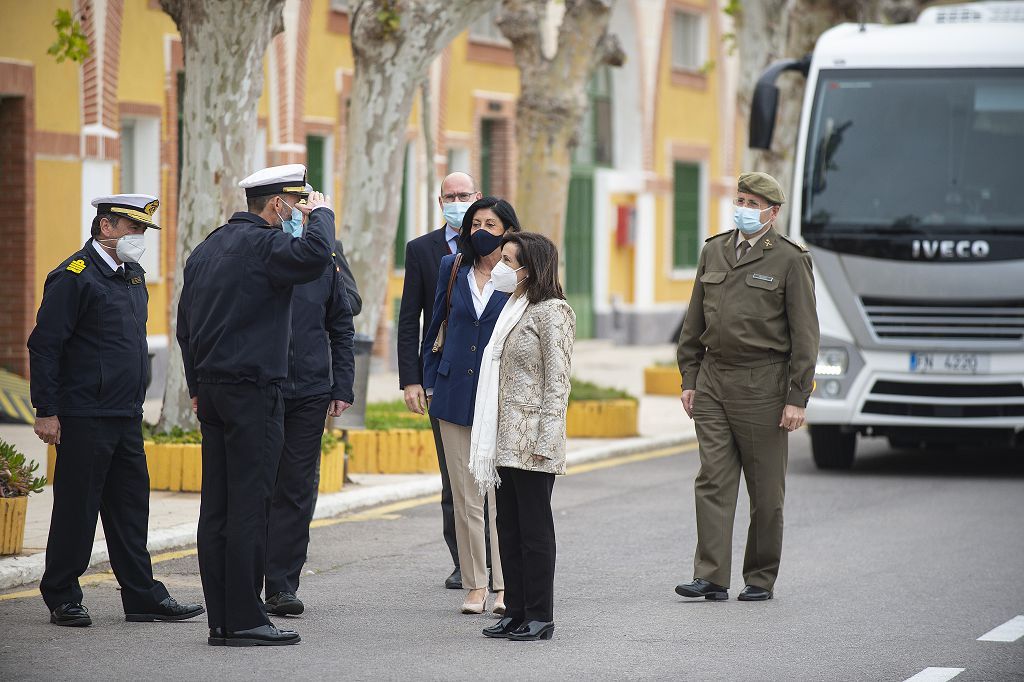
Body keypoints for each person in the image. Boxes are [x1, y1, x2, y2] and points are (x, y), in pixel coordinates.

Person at [28, 193, 204, 627]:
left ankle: (142, 596)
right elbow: (45, 346)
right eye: (134, 229)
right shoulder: (73, 277)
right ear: (106, 227)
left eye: (143, 230)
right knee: (77, 508)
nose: (140, 238)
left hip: (125, 412)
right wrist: (46, 409)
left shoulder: (132, 275)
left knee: (130, 509)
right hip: (84, 413)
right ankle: (63, 594)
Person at [177, 164, 334, 646]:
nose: (300, 211)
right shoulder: (267, 245)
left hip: (213, 388)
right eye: (297, 203)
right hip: (252, 392)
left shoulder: (207, 248)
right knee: (250, 504)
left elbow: (185, 327)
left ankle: (222, 619)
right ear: (278, 205)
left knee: (218, 507)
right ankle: (245, 618)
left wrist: (196, 384)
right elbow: (314, 256)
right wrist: (323, 214)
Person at [674, 172, 819, 602]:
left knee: (765, 491)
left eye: (755, 204)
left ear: (773, 213)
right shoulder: (714, 249)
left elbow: (805, 334)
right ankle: (711, 576)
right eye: (741, 200)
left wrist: (797, 397)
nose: (745, 209)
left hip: (764, 383)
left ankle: (759, 576)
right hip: (715, 379)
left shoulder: (790, 259)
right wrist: (690, 377)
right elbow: (694, 320)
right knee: (713, 480)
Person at [470, 232, 575, 642]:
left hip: (533, 441)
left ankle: (539, 615)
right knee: (507, 527)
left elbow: (558, 382)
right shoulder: (514, 307)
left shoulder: (553, 312)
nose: (502, 267)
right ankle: (514, 611)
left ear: (532, 269)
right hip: (504, 439)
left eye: (510, 261)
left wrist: (548, 440)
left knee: (534, 529)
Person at [421, 197, 521, 615]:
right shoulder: (453, 268)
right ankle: (475, 584)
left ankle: (504, 586)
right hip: (453, 395)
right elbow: (435, 328)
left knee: (498, 496)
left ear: (507, 229)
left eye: (491, 223)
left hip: (498, 397)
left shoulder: (520, 274)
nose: (482, 229)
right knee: (464, 497)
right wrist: (427, 383)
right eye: (476, 221)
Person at [264, 184, 356, 618]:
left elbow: (342, 324)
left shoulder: (324, 261)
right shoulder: (258, 253)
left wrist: (342, 387)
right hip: (261, 388)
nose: (300, 213)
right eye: (293, 205)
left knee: (297, 490)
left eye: (308, 205)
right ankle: (247, 578)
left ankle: (282, 584)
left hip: (311, 390)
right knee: (260, 486)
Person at [397, 172, 481, 590]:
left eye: (463, 195)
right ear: (439, 200)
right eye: (450, 196)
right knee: (453, 477)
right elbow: (409, 319)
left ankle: (498, 558)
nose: (457, 201)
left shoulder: (505, 247)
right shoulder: (422, 250)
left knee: (492, 476)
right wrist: (411, 380)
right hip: (443, 378)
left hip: (488, 377)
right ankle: (461, 559)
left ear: (477, 197)